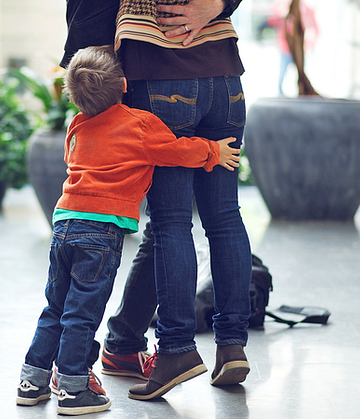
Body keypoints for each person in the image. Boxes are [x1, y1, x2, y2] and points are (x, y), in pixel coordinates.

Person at [16, 45, 241, 415]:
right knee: (82, 312)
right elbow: (176, 151)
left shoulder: (76, 124)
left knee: (56, 307)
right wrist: (214, 152)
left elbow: (74, 158)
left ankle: (32, 380)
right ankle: (73, 388)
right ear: (124, 84)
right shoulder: (138, 124)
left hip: (64, 223)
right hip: (100, 233)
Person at [98, 0, 254, 400]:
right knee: (224, 216)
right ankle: (232, 344)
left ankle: (176, 349)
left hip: (159, 76)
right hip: (224, 79)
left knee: (171, 222)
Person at [267, 0, 318, 95]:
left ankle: (301, 91)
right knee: (282, 75)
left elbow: (315, 28)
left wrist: (310, 43)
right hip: (285, 49)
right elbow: (271, 21)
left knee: (300, 75)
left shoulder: (305, 8)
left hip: (299, 50)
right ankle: (281, 93)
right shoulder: (282, 6)